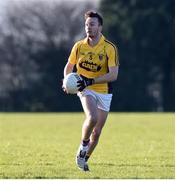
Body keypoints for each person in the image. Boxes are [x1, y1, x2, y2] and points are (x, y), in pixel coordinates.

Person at [63, 10, 119, 171]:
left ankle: (83, 158)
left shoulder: (109, 48)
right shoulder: (79, 46)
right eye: (87, 24)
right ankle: (83, 145)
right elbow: (69, 67)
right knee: (92, 117)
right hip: (84, 88)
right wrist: (67, 82)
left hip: (104, 90)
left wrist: (92, 80)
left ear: (100, 27)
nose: (88, 27)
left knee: (97, 132)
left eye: (92, 24)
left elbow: (113, 75)